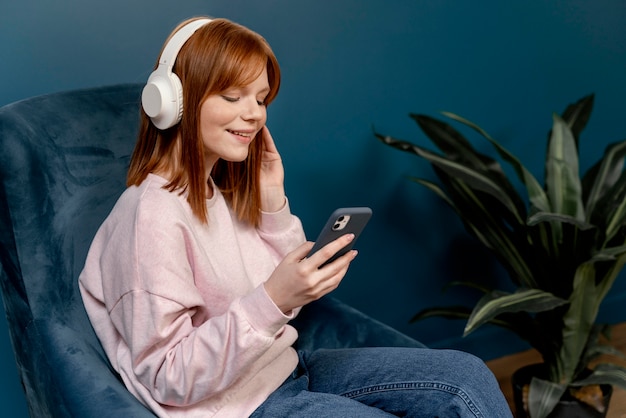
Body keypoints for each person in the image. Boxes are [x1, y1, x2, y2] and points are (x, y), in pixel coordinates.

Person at [78, 16, 513, 418]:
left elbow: (287, 296)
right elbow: (167, 376)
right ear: (174, 102)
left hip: (283, 370)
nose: (254, 113)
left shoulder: (217, 191)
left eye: (261, 99)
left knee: (467, 378)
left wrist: (272, 202)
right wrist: (273, 300)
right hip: (234, 408)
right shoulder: (149, 217)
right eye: (233, 96)